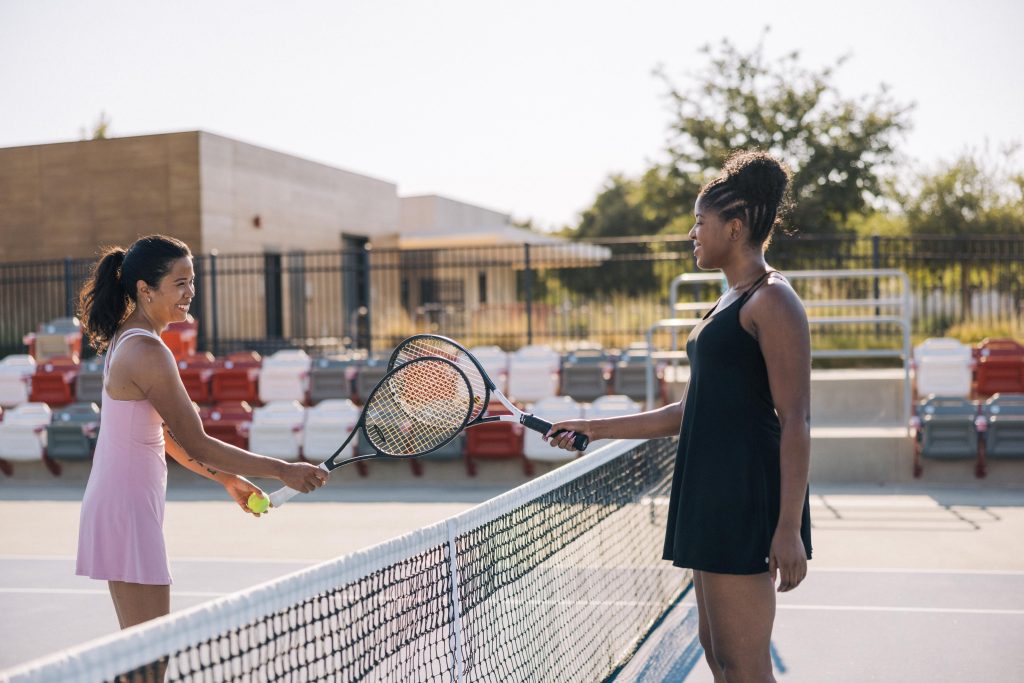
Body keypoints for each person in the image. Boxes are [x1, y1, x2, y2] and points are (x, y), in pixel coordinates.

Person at [547, 151, 812, 683]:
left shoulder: (773, 301)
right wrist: (594, 429)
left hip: (744, 500)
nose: (692, 232)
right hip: (708, 495)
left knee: (744, 664)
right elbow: (692, 411)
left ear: (734, 228)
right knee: (717, 653)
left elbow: (797, 420)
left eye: (700, 222)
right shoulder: (727, 302)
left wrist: (787, 528)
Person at [75, 235, 327, 630]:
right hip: (126, 509)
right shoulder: (147, 352)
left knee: (139, 654)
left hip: (120, 503)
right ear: (145, 289)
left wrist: (227, 477)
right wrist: (282, 470)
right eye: (179, 283)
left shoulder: (131, 339)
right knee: (149, 655)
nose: (190, 292)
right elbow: (197, 442)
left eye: (191, 281)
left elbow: (166, 438)